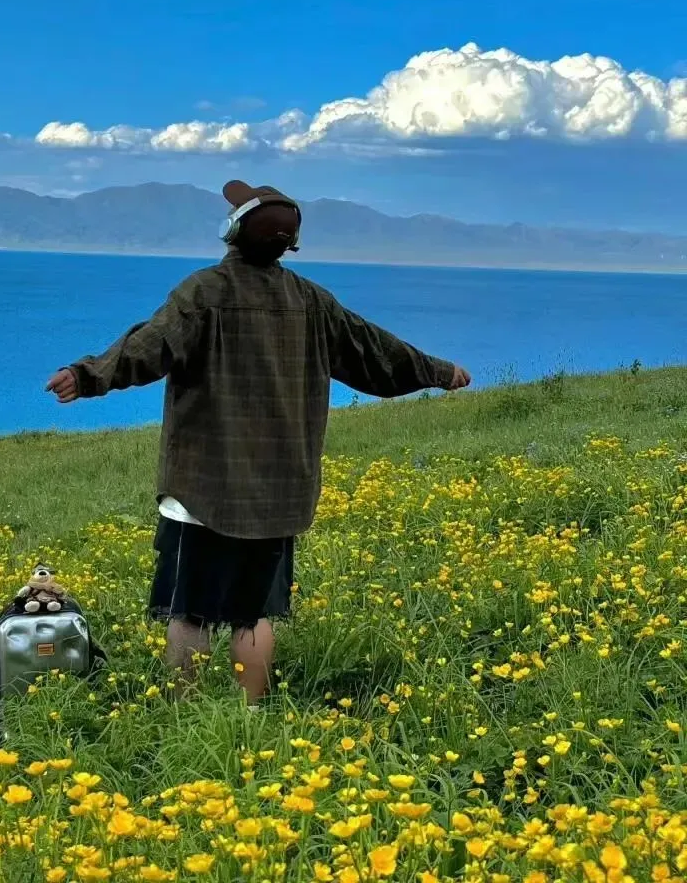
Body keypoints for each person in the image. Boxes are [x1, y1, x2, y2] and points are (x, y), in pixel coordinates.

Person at [45, 180, 471, 705]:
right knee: (255, 616)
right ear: (289, 244)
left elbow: (148, 347)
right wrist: (440, 371)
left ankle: (183, 713)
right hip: (279, 492)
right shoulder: (312, 302)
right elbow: (376, 353)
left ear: (231, 231)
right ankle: (249, 716)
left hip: (202, 489)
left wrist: (85, 376)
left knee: (189, 612)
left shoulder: (203, 292)